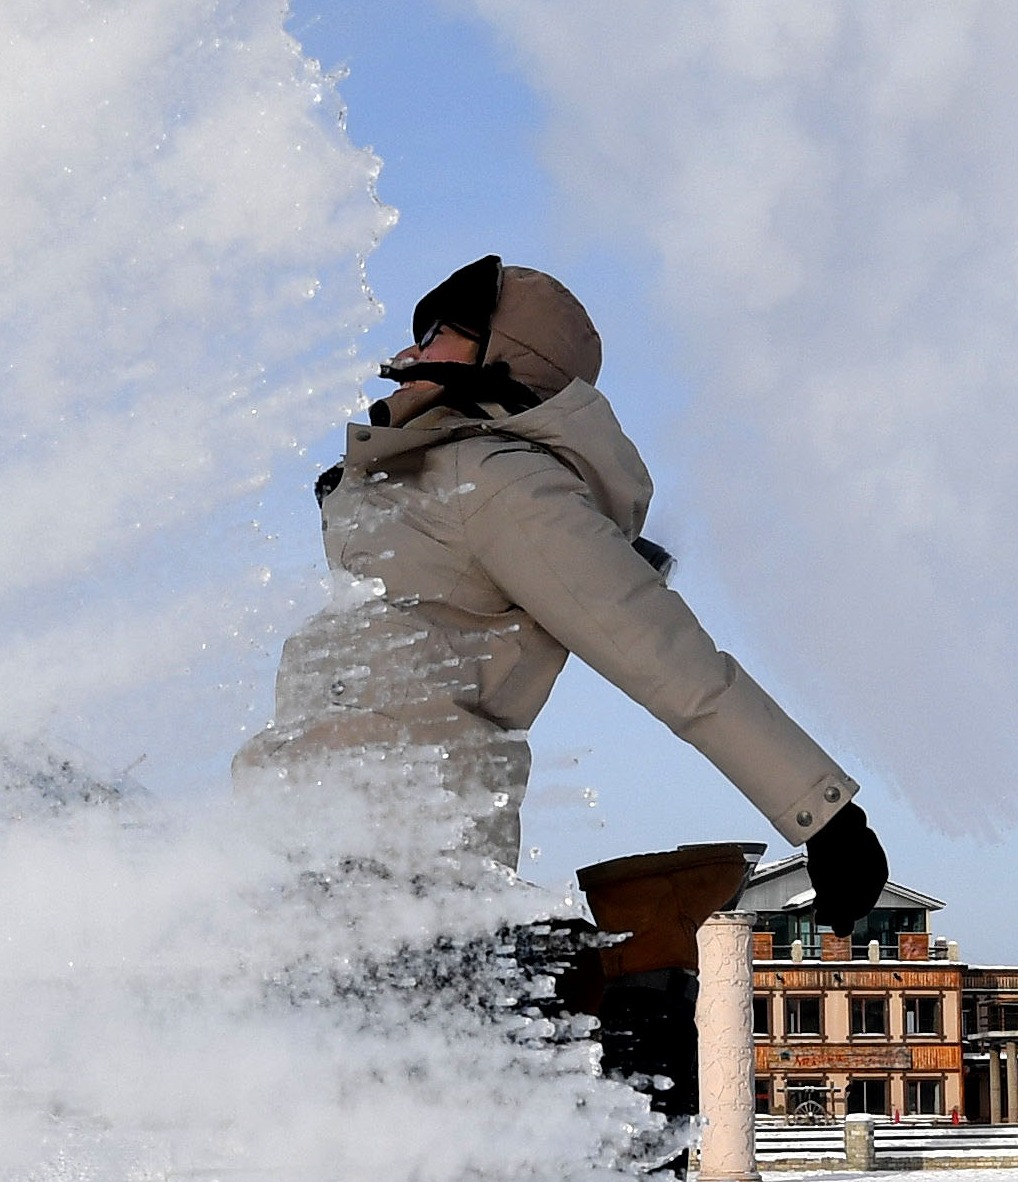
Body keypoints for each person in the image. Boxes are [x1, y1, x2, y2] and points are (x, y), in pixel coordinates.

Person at [238, 253, 886, 919]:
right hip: (305, 839)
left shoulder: (503, 483)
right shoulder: (439, 476)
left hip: (399, 851)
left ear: (501, 355)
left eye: (436, 337)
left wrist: (825, 817)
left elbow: (667, 658)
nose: (408, 351)